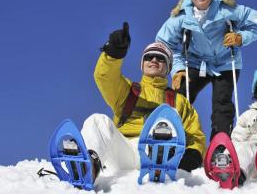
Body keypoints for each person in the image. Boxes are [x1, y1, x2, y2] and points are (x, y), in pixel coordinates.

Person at [78, 22, 206, 184]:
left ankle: (158, 167)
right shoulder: (128, 91)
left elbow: (195, 135)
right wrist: (113, 53)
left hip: (159, 154)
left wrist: (193, 154)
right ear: (142, 64)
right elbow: (105, 77)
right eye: (148, 57)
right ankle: (86, 169)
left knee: (167, 116)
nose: (153, 59)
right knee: (97, 120)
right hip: (124, 151)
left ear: (168, 68)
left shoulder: (179, 102)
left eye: (160, 58)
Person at [156, 0, 257, 140]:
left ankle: (220, 141)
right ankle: (169, 131)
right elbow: (164, 43)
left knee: (222, 102)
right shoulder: (181, 16)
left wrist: (241, 38)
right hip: (195, 62)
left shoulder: (226, 9)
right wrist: (178, 69)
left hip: (225, 62)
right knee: (180, 94)